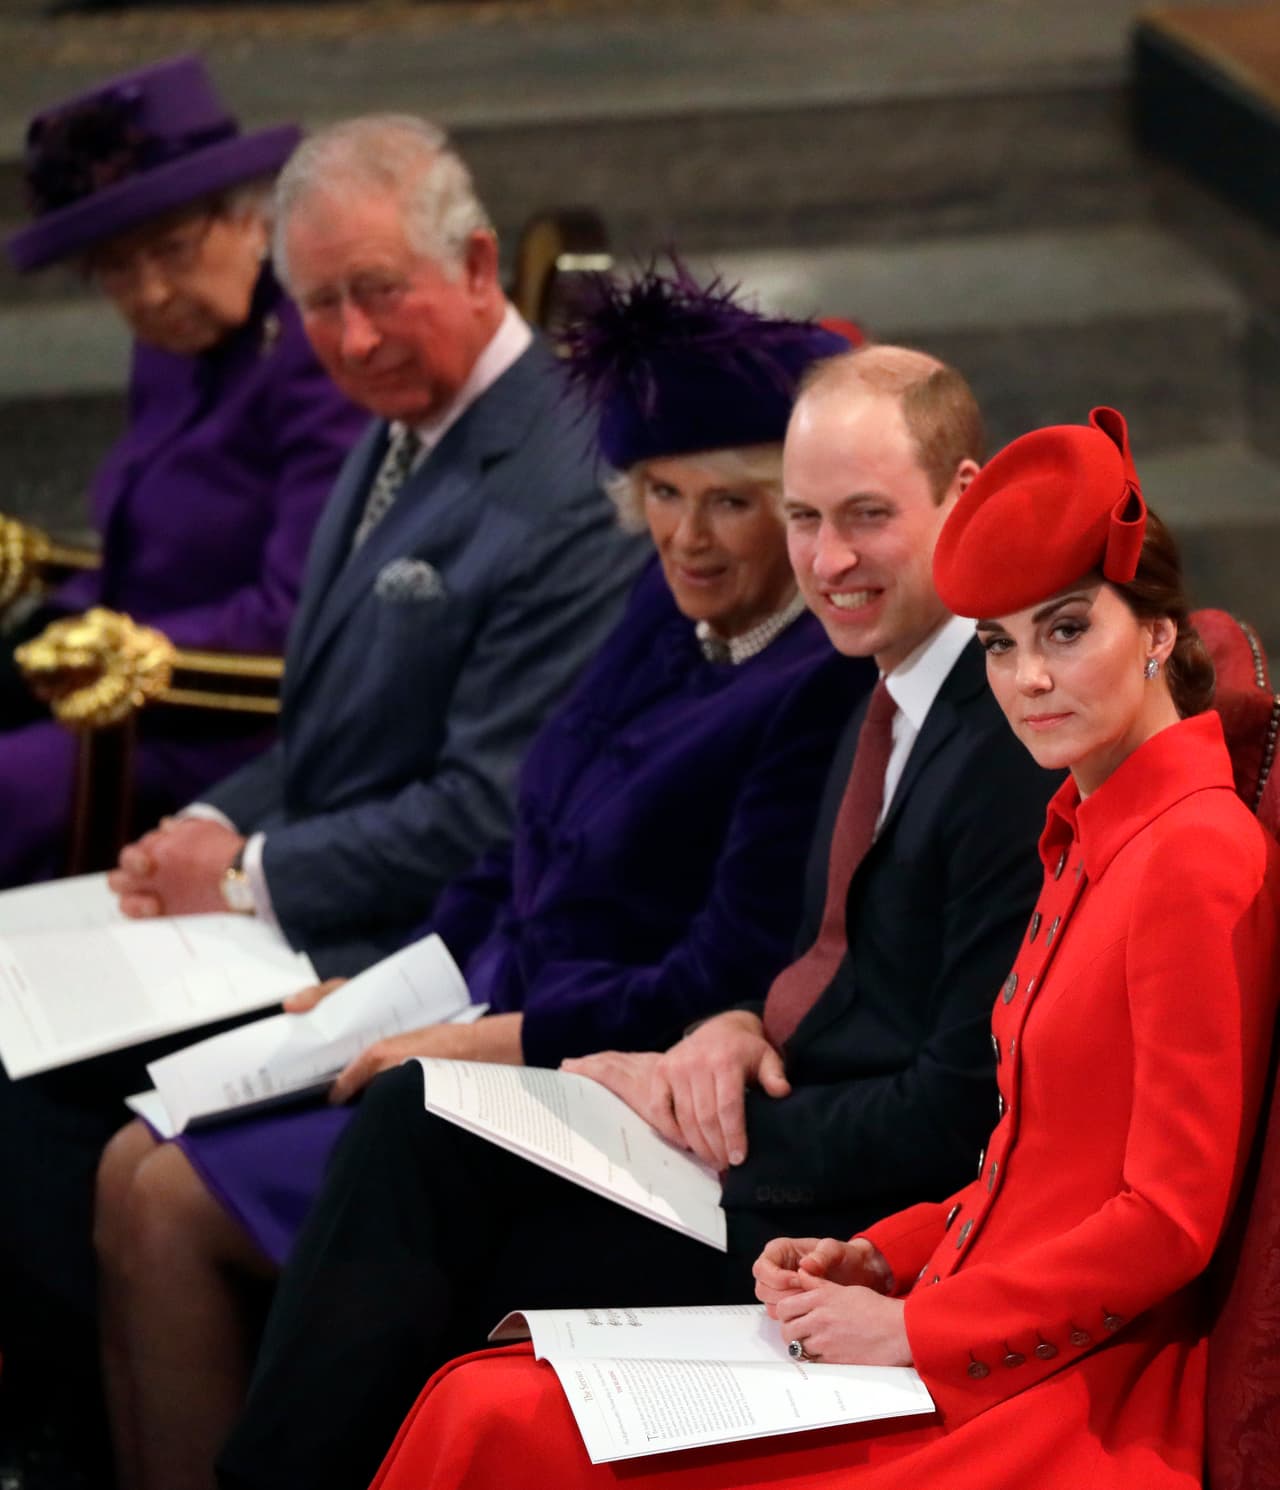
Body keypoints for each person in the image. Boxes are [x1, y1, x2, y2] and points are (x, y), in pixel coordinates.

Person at [368, 406, 1280, 1490]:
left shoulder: (1191, 852)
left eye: (1067, 629)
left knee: (496, 1419)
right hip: (973, 1315)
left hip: (1067, 1387)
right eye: (999, 642)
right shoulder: (1091, 829)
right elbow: (1034, 1167)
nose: (1027, 677)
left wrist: (916, 1327)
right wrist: (885, 1253)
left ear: (1159, 633)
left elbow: (1165, 1220)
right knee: (483, 1395)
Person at [211, 345, 1060, 1490]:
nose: (827, 560)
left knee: (438, 1194)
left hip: (848, 1222)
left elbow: (962, 1105)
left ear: (962, 494)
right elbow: (822, 959)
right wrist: (732, 1027)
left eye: (866, 515)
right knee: (419, 1123)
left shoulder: (1004, 729)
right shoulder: (884, 680)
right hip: (768, 1131)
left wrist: (715, 1127)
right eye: (803, 516)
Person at [91, 260, 870, 1490]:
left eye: (731, 501)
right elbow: (521, 838)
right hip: (480, 1006)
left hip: (603, 1086)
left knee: (167, 1204)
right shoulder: (663, 605)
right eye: (662, 493)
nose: (687, 535)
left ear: (796, 512)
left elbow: (717, 973)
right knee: (125, 1158)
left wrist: (475, 1040)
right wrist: (385, 989)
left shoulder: (813, 682)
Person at [0, 112, 640, 1480]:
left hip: (406, 951)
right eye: (319, 305)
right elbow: (325, 719)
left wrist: (248, 873)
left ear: (477, 265)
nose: (350, 338)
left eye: (378, 291)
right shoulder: (403, 423)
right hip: (306, 911)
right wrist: (210, 822)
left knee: (60, 1127)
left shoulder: (561, 480)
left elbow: (488, 809)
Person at [0, 55, 367, 888]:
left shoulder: (318, 352)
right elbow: (148, 544)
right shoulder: (177, 339)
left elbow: (295, 615)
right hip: (114, 677)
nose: (152, 292)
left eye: (171, 248)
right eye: (116, 268)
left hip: (224, 724)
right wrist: (55, 620)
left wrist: (116, 649)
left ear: (253, 220)